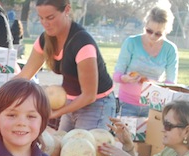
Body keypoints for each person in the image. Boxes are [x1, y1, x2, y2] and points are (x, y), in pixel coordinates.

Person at [15, 0, 115, 132]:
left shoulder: (82, 43)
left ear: (67, 10)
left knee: (81, 150)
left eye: (50, 17)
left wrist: (56, 113)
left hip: (97, 104)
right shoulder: (45, 39)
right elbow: (23, 75)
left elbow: (89, 95)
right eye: (41, 18)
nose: (45, 23)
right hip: (71, 102)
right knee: (61, 145)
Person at [113, 4, 178, 118]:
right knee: (124, 135)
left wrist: (153, 84)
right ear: (145, 24)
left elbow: (171, 83)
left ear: (166, 31)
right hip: (127, 103)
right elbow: (117, 74)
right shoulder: (131, 42)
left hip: (154, 106)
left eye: (158, 34)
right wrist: (125, 78)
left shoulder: (170, 49)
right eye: (149, 31)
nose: (152, 36)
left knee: (151, 136)